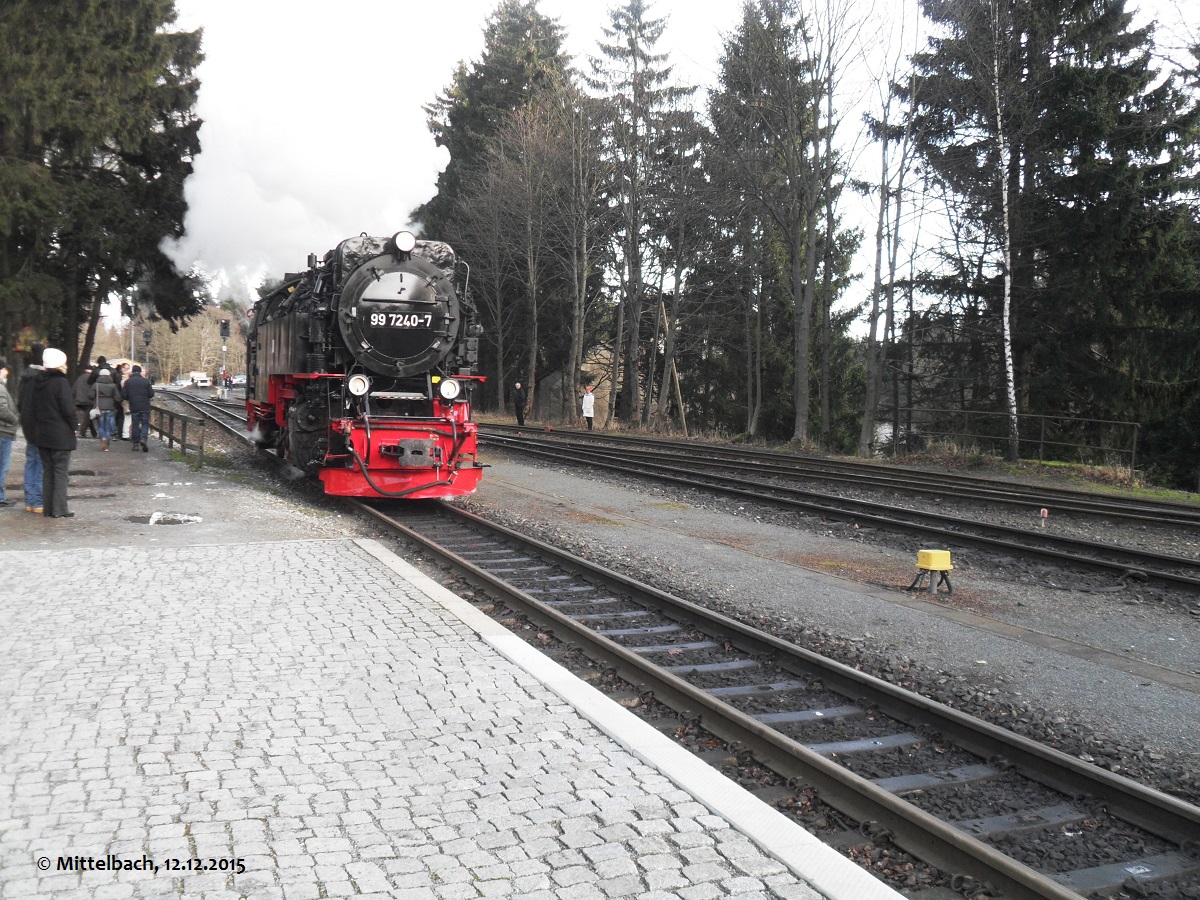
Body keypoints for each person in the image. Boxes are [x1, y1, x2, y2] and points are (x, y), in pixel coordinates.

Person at [22, 347, 78, 518]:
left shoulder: (35, 382)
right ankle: (59, 509)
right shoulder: (61, 383)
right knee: (60, 472)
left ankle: (47, 507)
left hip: (41, 434)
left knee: (47, 472)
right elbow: (68, 409)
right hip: (60, 435)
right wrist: (74, 425)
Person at [16, 343, 45, 514]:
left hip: (27, 425)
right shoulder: (41, 379)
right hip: (39, 425)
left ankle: (29, 500)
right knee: (40, 463)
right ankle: (38, 501)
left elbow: (20, 403)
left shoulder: (24, 378)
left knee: (31, 462)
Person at [122, 364, 154, 452]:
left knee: (135, 425)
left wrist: (130, 398)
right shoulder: (146, 381)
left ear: (132, 371)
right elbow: (151, 394)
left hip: (134, 406)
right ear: (140, 372)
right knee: (145, 423)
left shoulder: (128, 382)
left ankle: (135, 444)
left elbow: (124, 395)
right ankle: (143, 438)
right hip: (145, 406)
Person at [0, 359, 16, 507]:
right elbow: (2, 409)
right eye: (5, 370)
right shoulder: (0, 388)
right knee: (2, 466)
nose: (6, 373)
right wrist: (14, 419)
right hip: (3, 431)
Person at [93, 369, 121, 451]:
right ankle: (107, 445)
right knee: (108, 426)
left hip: (99, 407)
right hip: (110, 406)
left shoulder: (96, 385)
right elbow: (117, 397)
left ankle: (103, 438)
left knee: (101, 426)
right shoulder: (113, 385)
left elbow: (90, 395)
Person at [73, 364, 97, 437]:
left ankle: (94, 433)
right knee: (87, 417)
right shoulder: (92, 378)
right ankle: (82, 432)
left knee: (88, 416)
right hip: (89, 400)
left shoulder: (79, 378)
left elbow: (73, 390)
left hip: (79, 400)